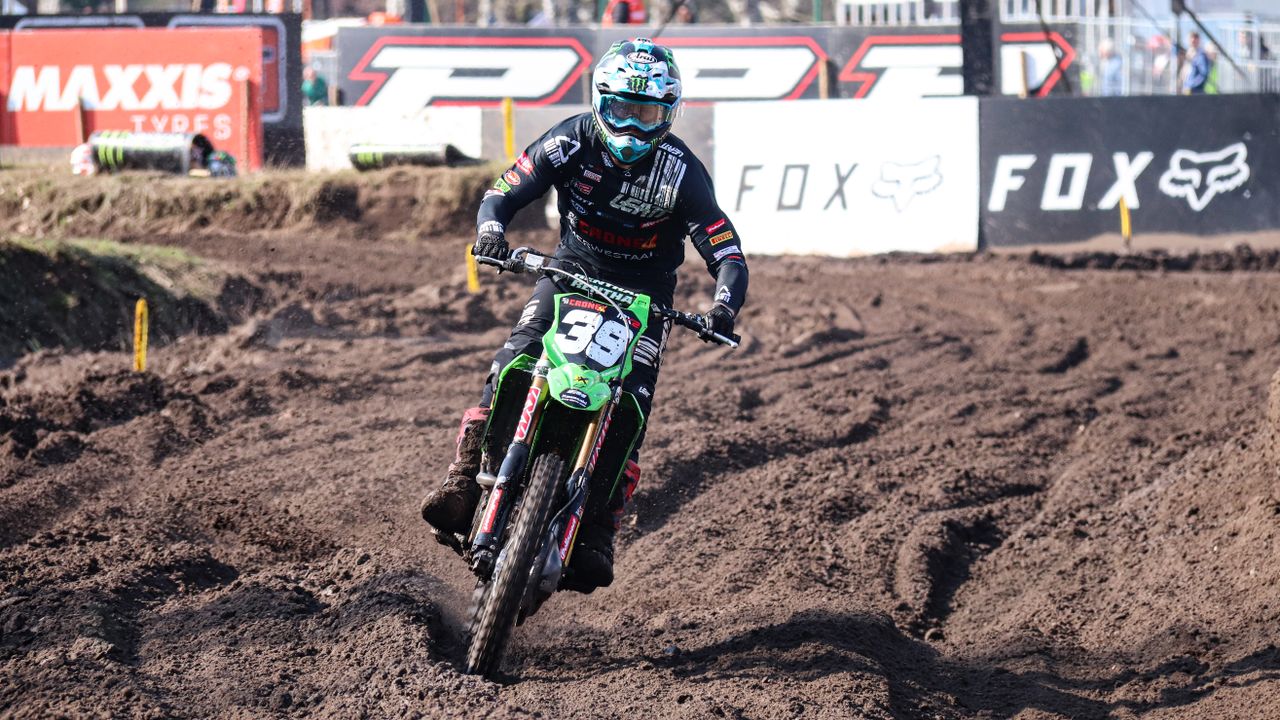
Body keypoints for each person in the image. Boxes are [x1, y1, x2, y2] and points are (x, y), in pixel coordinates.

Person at [420, 38, 748, 592]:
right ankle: (462, 484)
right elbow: (504, 190)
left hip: (645, 295)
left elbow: (726, 251)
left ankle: (597, 529)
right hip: (570, 269)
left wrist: (722, 306)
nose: (633, 128)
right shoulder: (572, 139)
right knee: (512, 363)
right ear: (600, 101)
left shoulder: (683, 173)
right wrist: (492, 231)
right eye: (621, 109)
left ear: (669, 114)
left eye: (647, 115)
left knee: (631, 408)